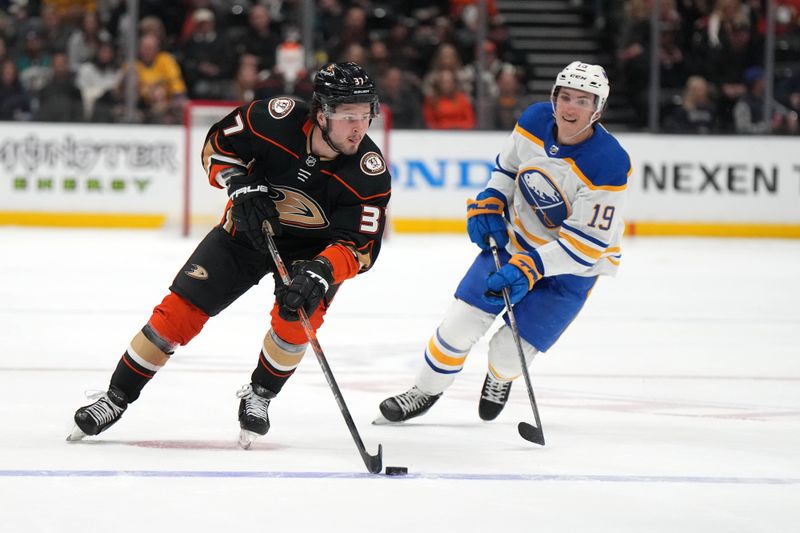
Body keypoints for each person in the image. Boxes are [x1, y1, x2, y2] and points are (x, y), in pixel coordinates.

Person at [68, 62, 391, 448]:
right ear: (321, 113)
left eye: (365, 114)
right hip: (246, 234)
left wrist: (322, 270)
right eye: (347, 116)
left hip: (311, 254)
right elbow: (217, 147)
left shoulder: (368, 173)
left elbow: (361, 246)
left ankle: (260, 395)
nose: (359, 127)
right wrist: (239, 185)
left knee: (295, 323)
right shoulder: (272, 119)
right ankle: (115, 398)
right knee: (178, 312)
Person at [377, 62, 630, 424]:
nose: (571, 108)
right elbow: (509, 169)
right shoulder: (534, 120)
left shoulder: (608, 163)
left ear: (598, 109)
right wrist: (492, 199)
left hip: (570, 270)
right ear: (554, 97)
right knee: (456, 328)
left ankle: (500, 377)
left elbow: (587, 245)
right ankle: (425, 390)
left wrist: (532, 267)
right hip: (516, 243)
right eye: (566, 97)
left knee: (508, 353)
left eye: (583, 101)